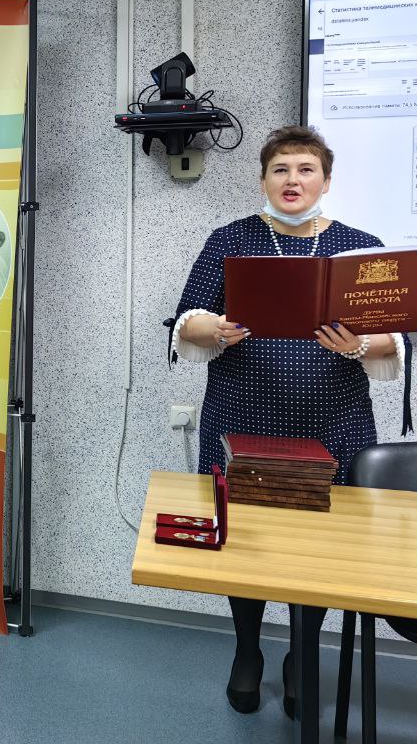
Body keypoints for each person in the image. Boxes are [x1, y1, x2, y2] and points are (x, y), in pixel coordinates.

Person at [172, 125, 406, 717]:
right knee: (244, 543)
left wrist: (360, 344)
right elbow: (183, 322)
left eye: (306, 169)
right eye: (281, 169)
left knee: (318, 549)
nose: (293, 180)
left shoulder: (361, 248)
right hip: (241, 417)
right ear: (263, 180)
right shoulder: (230, 240)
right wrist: (211, 328)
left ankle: (302, 653)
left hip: (334, 423)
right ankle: (247, 650)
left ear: (326, 181)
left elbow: (398, 339)